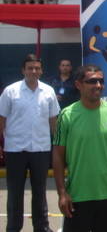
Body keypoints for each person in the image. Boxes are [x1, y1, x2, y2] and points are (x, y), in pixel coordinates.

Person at [52, 64, 107, 231]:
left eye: (101, 81)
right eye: (92, 81)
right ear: (78, 85)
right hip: (77, 197)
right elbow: (58, 156)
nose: (98, 85)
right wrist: (62, 193)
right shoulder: (66, 115)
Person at [0, 53, 59, 232]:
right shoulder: (10, 91)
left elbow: (53, 121)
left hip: (40, 149)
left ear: (41, 71)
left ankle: (42, 227)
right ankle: (13, 227)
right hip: (15, 149)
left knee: (40, 191)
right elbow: (1, 119)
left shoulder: (48, 91)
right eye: (30, 68)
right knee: (15, 192)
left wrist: (57, 145)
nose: (33, 71)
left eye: (37, 68)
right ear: (23, 70)